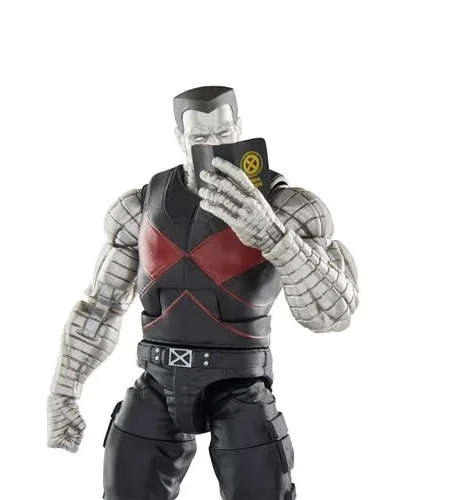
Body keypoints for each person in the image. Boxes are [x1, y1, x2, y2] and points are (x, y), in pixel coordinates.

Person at [47, 86, 359, 500]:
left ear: (239, 128)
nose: (213, 145)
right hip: (156, 380)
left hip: (239, 385)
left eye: (224, 133)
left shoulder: (287, 206)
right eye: (199, 136)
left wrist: (273, 237)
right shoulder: (139, 206)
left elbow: (332, 314)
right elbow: (100, 309)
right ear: (179, 137)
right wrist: (64, 392)